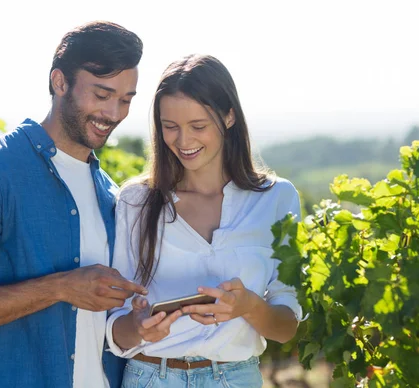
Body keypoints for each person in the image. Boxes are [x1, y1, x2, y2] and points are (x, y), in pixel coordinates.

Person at [0, 21, 147, 388]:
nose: (114, 113)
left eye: (125, 100)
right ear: (60, 82)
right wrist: (59, 288)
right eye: (102, 95)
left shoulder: (110, 193)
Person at [105, 54, 304, 387]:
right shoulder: (136, 201)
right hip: (150, 376)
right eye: (170, 127)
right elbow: (115, 324)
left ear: (228, 117)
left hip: (236, 378)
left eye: (198, 126)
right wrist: (137, 326)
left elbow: (287, 327)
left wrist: (249, 307)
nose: (184, 142)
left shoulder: (276, 199)